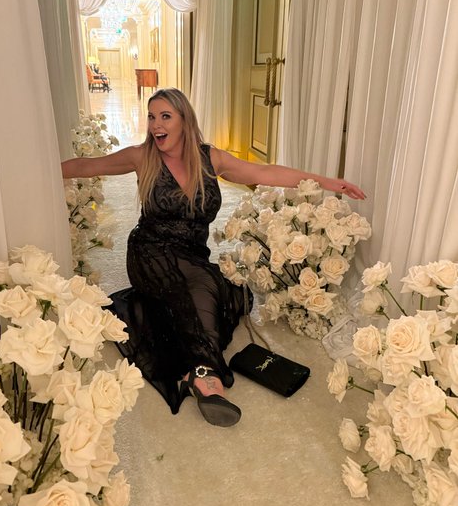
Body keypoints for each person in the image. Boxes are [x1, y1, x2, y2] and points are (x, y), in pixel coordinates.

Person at [61, 88, 365, 427]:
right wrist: (42, 170)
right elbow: (88, 165)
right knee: (202, 286)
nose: (156, 125)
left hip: (192, 255)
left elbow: (264, 173)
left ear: (184, 120)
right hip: (149, 251)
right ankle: (206, 376)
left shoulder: (210, 159)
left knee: (228, 293)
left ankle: (196, 368)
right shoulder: (142, 156)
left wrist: (327, 182)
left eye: (165, 117)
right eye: (151, 117)